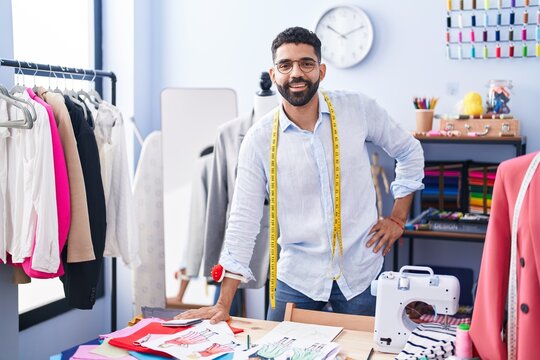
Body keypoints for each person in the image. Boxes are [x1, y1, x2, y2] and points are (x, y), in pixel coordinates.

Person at [176, 26, 424, 323]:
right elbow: (243, 220)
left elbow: (409, 150)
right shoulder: (259, 139)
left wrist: (398, 217)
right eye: (285, 65)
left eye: (306, 63)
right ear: (274, 73)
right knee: (273, 353)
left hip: (361, 272)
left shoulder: (357, 109)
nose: (296, 73)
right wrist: (223, 303)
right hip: (297, 278)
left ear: (321, 70)